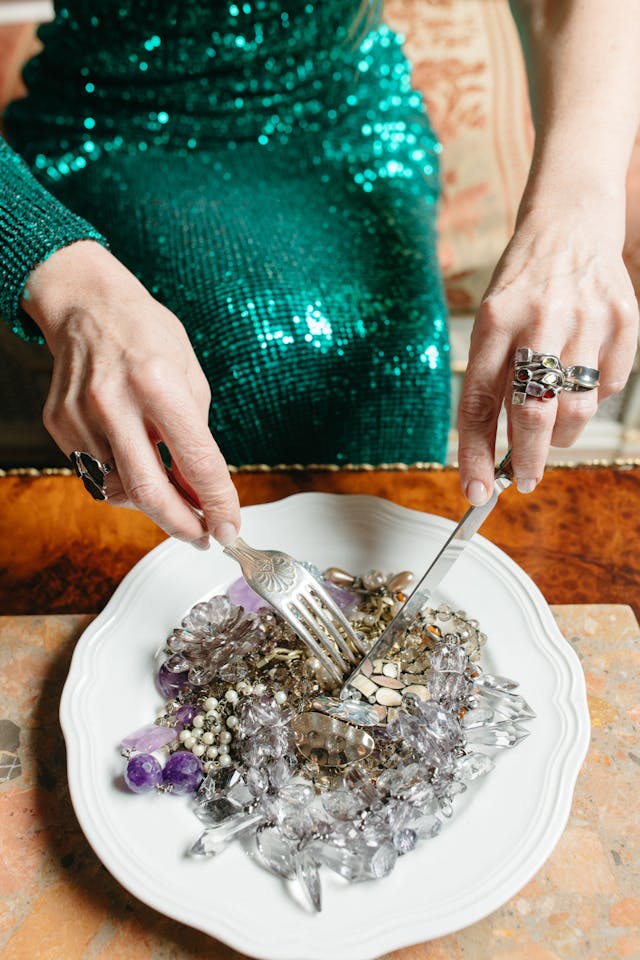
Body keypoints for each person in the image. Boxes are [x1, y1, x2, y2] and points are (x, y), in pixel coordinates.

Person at [0, 0, 637, 550]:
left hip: (343, 107)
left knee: (390, 360)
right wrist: (62, 277)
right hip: (119, 119)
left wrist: (575, 214)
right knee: (266, 350)